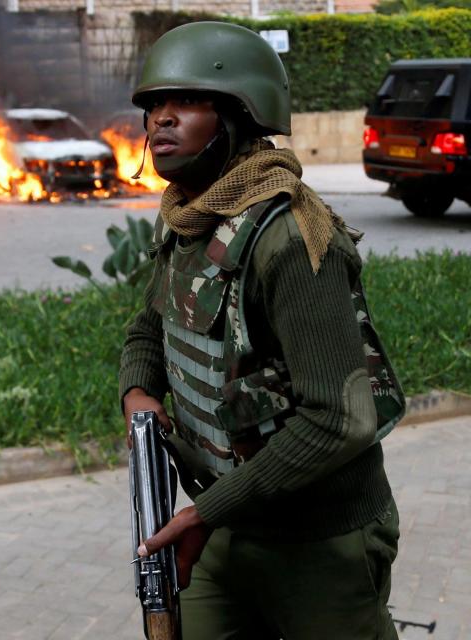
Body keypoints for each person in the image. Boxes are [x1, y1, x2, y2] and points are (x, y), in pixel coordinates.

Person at [119, 21, 406, 640]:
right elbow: (151, 324)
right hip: (226, 525)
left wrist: (205, 514)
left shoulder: (293, 238)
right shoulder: (192, 215)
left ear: (240, 116)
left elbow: (339, 418)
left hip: (320, 541)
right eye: (153, 106)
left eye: (187, 102)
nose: (160, 121)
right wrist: (138, 392)